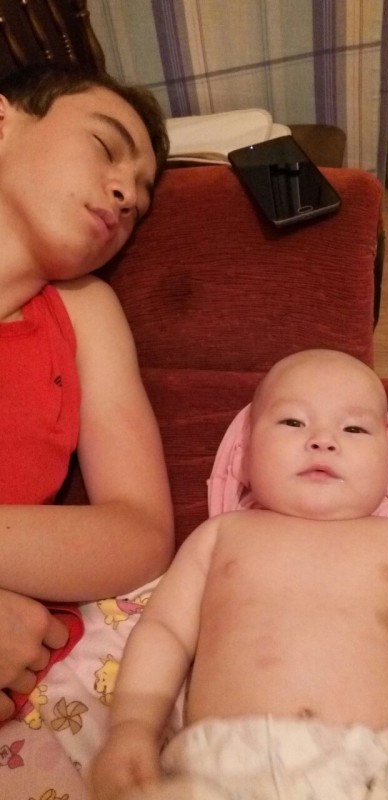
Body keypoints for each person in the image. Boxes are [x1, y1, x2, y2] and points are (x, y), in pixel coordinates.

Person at [90, 349, 388, 800]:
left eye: (354, 428)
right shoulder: (221, 534)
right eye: (293, 422)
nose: (323, 440)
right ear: (244, 455)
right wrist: (132, 727)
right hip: (231, 763)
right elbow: (164, 631)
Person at [0, 63, 174, 723]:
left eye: (142, 201)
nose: (127, 195)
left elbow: (140, 532)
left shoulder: (84, 311)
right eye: (105, 147)